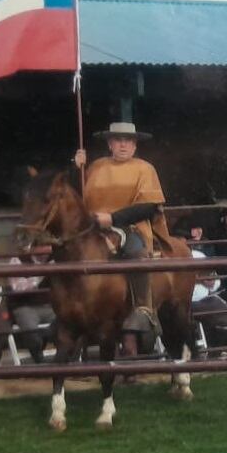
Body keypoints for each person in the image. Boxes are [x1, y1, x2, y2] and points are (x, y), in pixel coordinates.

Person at [73, 122, 170, 355]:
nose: (123, 144)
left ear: (135, 145)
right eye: (118, 140)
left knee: (136, 254)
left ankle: (142, 308)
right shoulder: (94, 167)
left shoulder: (145, 169)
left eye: (128, 140)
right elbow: (76, 198)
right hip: (93, 228)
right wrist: (76, 169)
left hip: (131, 227)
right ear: (110, 144)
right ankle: (69, 309)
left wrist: (114, 218)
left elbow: (149, 207)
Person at [5, 245, 56, 364]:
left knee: (69, 322)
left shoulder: (55, 259)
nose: (47, 249)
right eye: (43, 245)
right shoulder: (18, 260)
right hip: (25, 305)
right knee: (31, 331)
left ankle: (68, 362)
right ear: (34, 247)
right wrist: (41, 274)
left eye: (49, 245)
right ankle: (39, 361)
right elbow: (18, 288)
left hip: (50, 305)